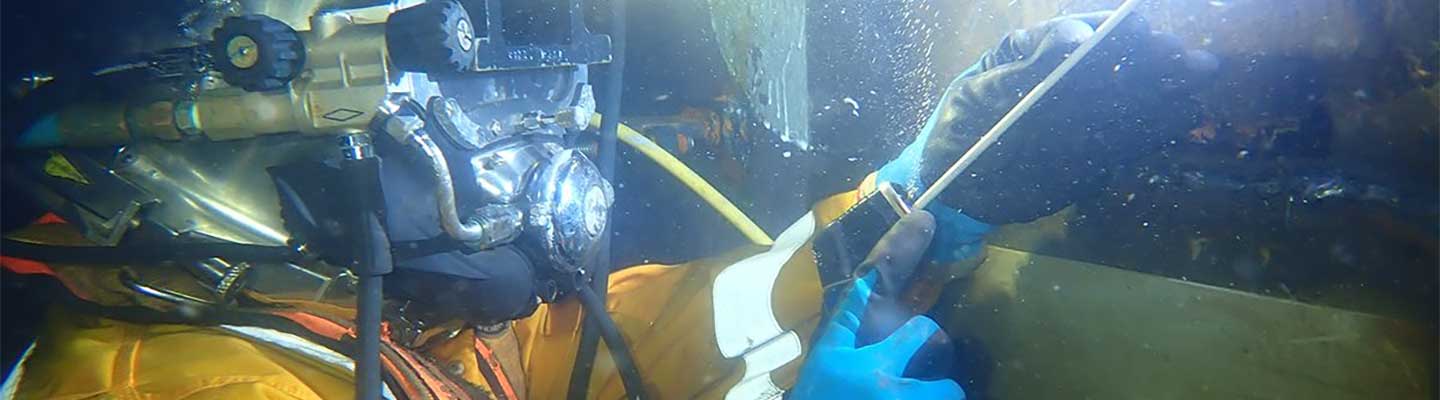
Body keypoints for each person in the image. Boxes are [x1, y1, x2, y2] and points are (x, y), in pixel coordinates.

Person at [0, 7, 1212, 400]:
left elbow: (622, 338)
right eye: (431, 78)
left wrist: (907, 202)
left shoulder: (380, 323)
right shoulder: (173, 385)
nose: (515, 123)